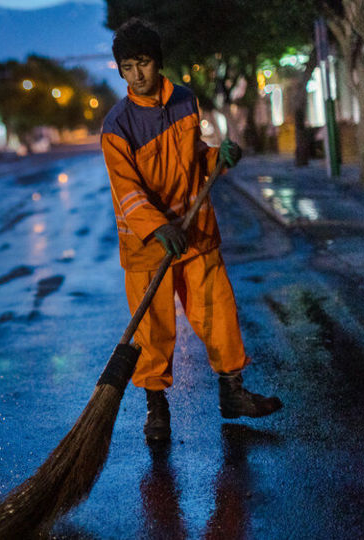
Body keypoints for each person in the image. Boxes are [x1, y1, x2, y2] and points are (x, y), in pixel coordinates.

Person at [100, 18, 282, 443]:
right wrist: (158, 227)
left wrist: (217, 156)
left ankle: (232, 393)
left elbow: (193, 156)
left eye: (143, 63)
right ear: (121, 71)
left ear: (157, 62)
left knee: (217, 311)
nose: (137, 74)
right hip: (149, 246)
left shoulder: (185, 101)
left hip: (195, 231)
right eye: (128, 67)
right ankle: (157, 409)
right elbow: (127, 192)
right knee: (154, 330)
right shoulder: (117, 126)